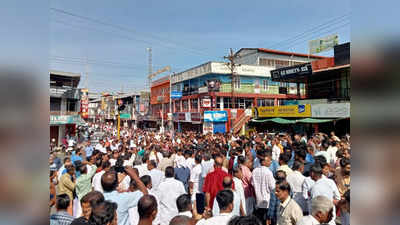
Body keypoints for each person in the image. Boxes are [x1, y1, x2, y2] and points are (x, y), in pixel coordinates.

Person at [251, 152, 275, 225]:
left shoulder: (254, 171)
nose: (270, 162)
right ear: (263, 162)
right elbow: (272, 186)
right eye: (268, 161)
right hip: (266, 201)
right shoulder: (268, 172)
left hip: (257, 201)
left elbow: (252, 183)